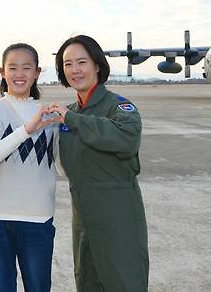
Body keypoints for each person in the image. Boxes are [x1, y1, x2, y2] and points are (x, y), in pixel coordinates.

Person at [49, 35, 149, 292]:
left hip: (118, 216)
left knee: (124, 282)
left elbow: (126, 139)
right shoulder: (68, 113)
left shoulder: (118, 107)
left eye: (81, 62)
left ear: (97, 65)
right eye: (67, 64)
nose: (74, 70)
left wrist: (72, 120)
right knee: (87, 282)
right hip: (83, 217)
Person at [0, 43, 60, 292]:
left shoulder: (49, 116)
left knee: (38, 286)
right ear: (2, 72)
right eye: (12, 67)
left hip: (37, 216)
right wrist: (26, 130)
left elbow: (62, 166)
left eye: (26, 67)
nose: (19, 73)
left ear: (37, 72)